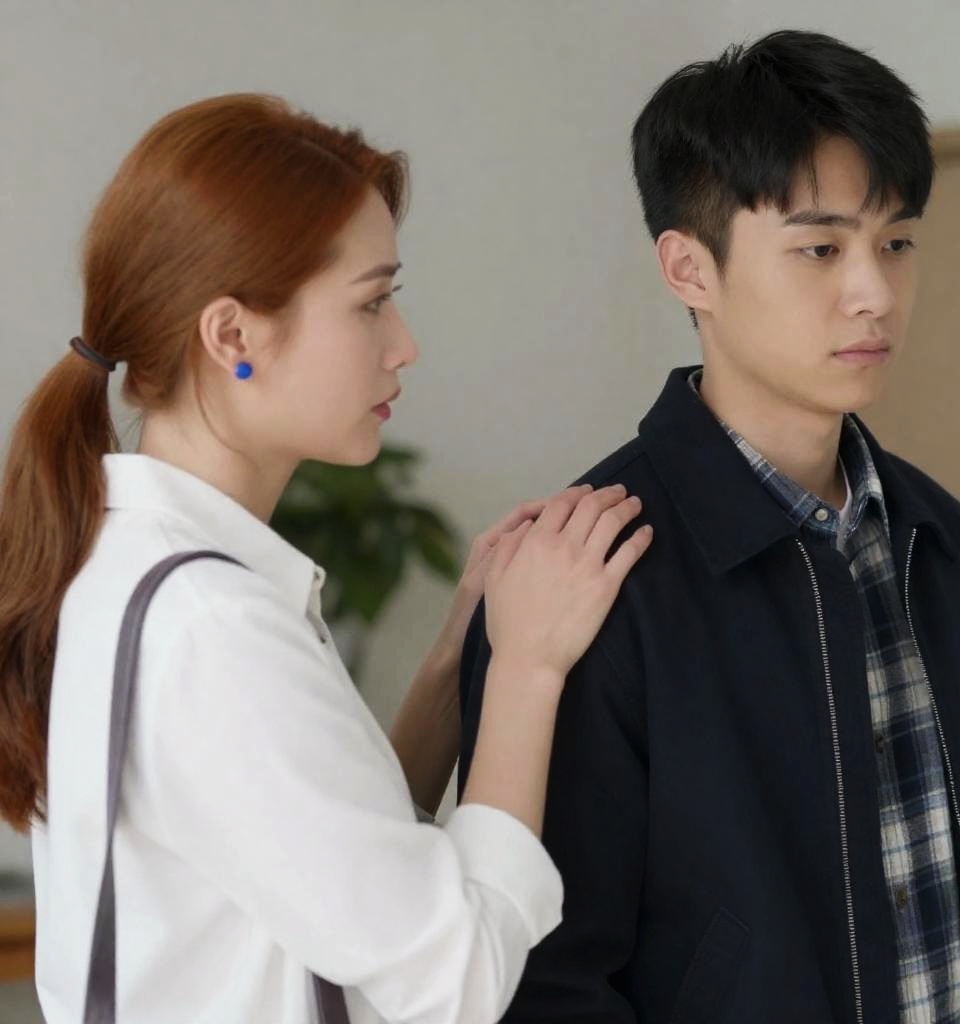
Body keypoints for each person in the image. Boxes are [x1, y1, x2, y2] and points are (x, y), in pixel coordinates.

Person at [0, 94, 654, 1024]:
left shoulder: (133, 564)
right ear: (232, 336)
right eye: (372, 302)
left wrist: (454, 659)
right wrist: (527, 668)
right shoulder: (210, 625)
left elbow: (334, 864)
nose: (404, 346)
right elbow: (455, 976)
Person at [459, 29, 960, 1024]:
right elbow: (545, 981)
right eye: (820, 248)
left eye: (896, 242)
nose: (874, 292)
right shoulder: (588, 573)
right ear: (688, 269)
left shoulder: (940, 537)